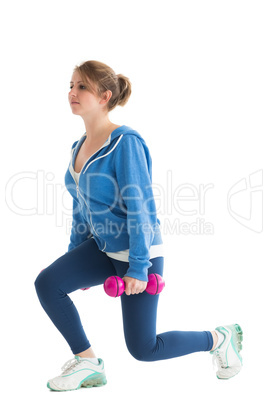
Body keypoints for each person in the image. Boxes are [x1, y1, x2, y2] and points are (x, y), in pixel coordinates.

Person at [34, 60, 243, 392]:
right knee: (48, 283)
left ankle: (219, 339)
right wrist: (74, 257)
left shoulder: (125, 142)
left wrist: (139, 267)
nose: (72, 93)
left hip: (137, 250)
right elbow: (80, 209)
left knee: (144, 348)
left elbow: (141, 207)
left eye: (82, 87)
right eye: (71, 86)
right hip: (102, 248)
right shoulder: (78, 147)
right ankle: (88, 362)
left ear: (104, 96)